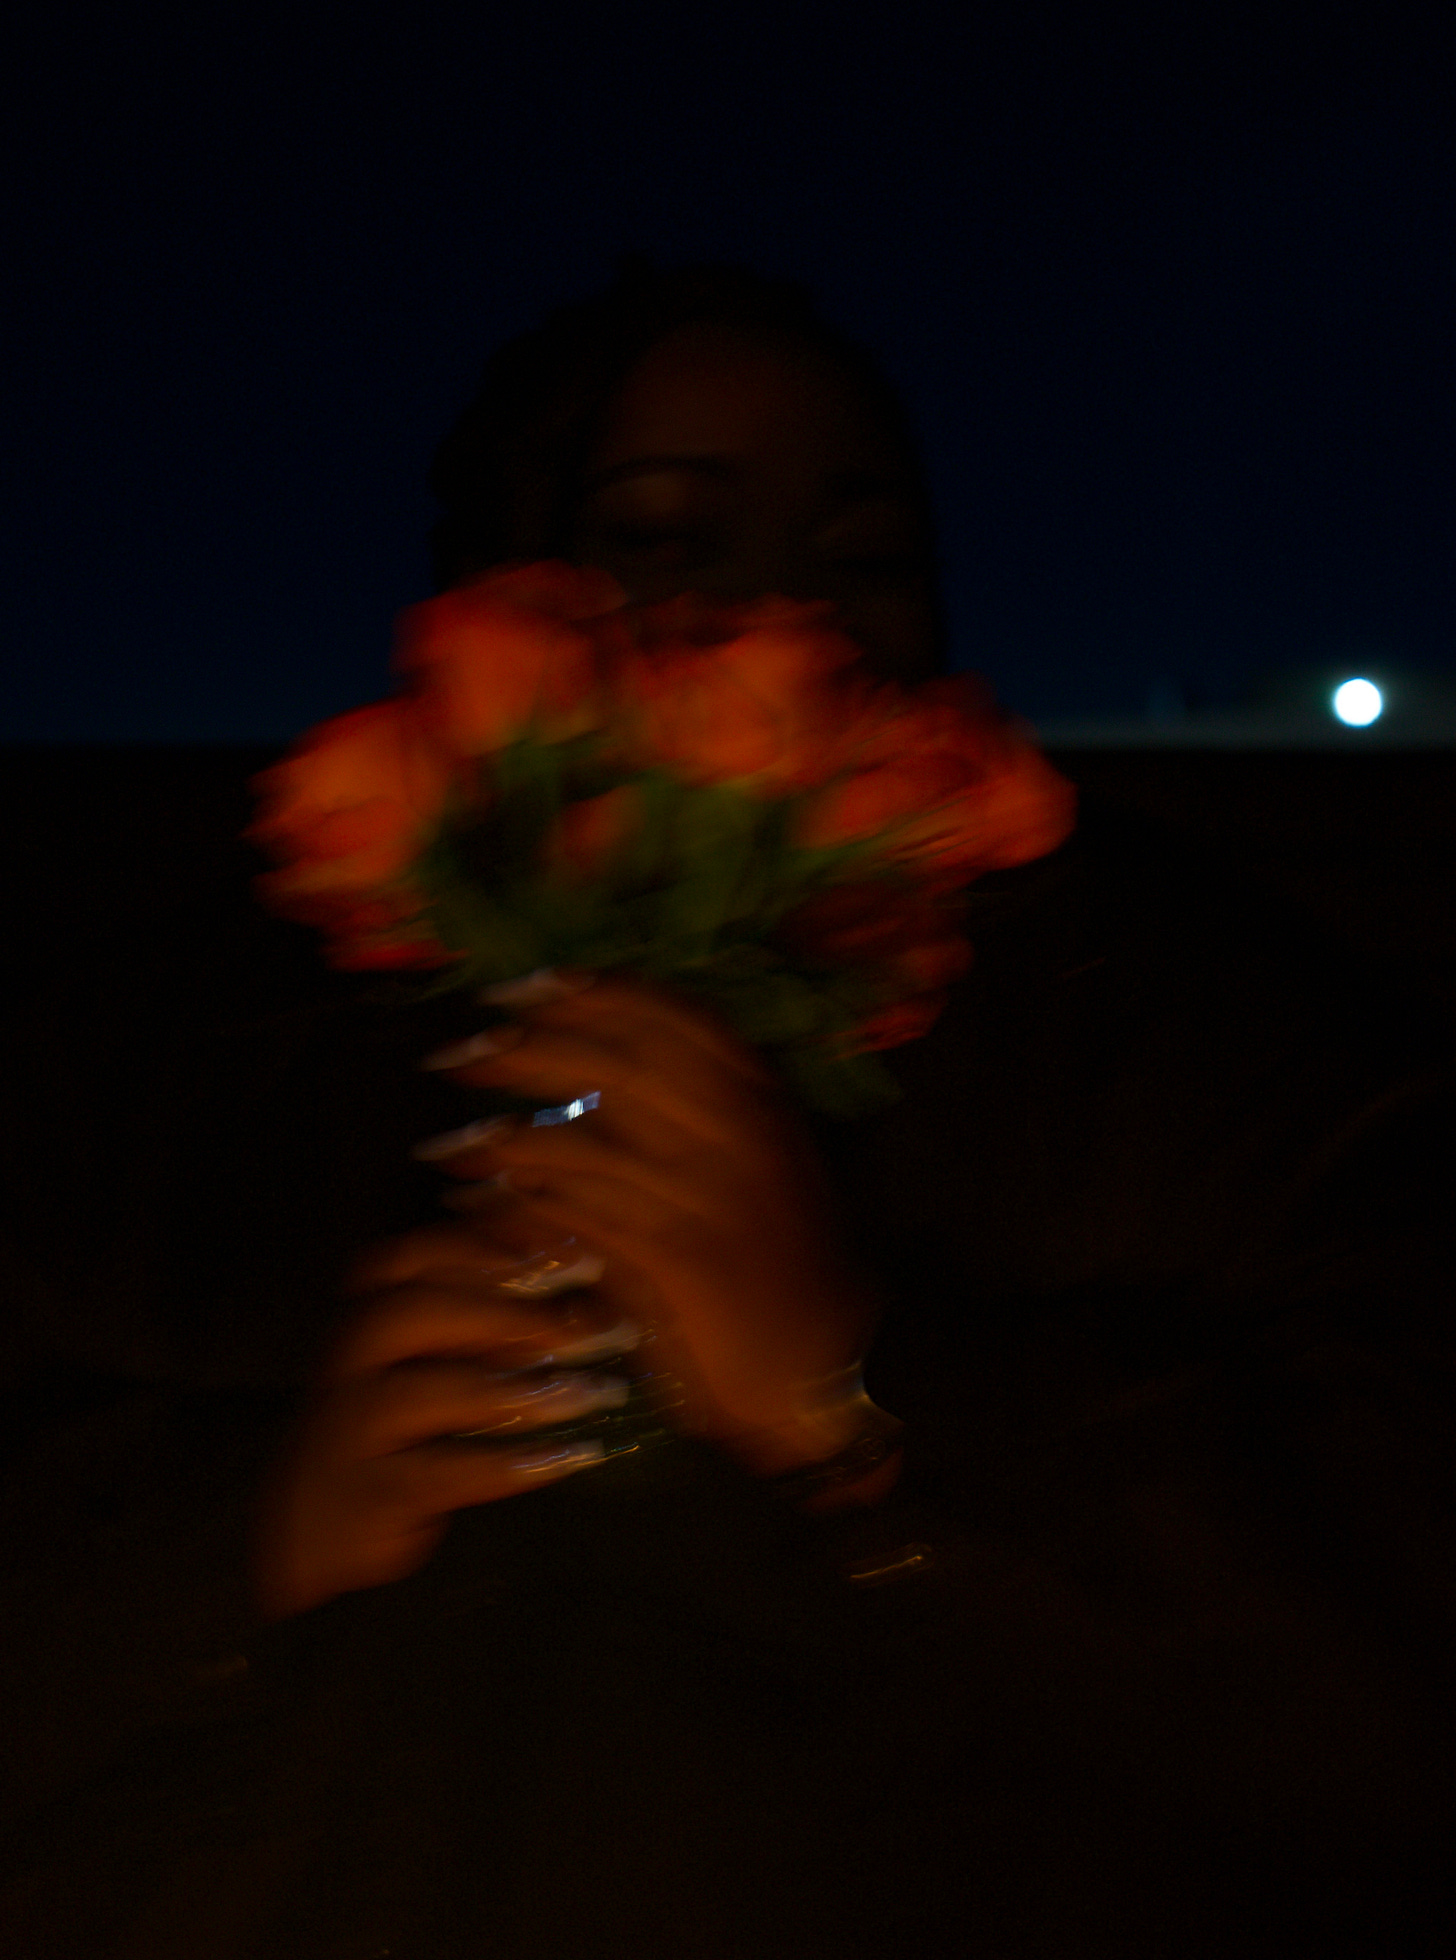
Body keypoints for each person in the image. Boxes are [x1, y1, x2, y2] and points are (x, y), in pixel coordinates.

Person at [4, 260, 1454, 1957]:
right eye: (670, 539)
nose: (782, 615)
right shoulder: (198, 1059)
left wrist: (871, 1398)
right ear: (500, 584)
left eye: (860, 560)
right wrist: (246, 1542)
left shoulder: (1169, 1011)